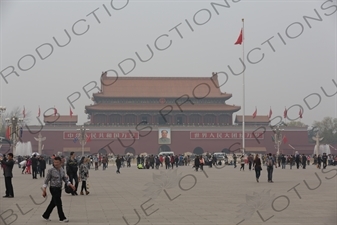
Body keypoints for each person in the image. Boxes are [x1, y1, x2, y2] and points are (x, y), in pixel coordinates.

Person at [41, 156, 75, 222]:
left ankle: (46, 215)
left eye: (57, 162)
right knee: (59, 203)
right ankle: (62, 218)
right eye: (54, 162)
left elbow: (65, 179)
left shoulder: (62, 169)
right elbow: (46, 180)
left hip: (59, 188)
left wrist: (71, 185)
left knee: (53, 203)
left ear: (60, 163)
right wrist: (44, 190)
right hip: (53, 188)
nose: (56, 163)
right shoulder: (51, 170)